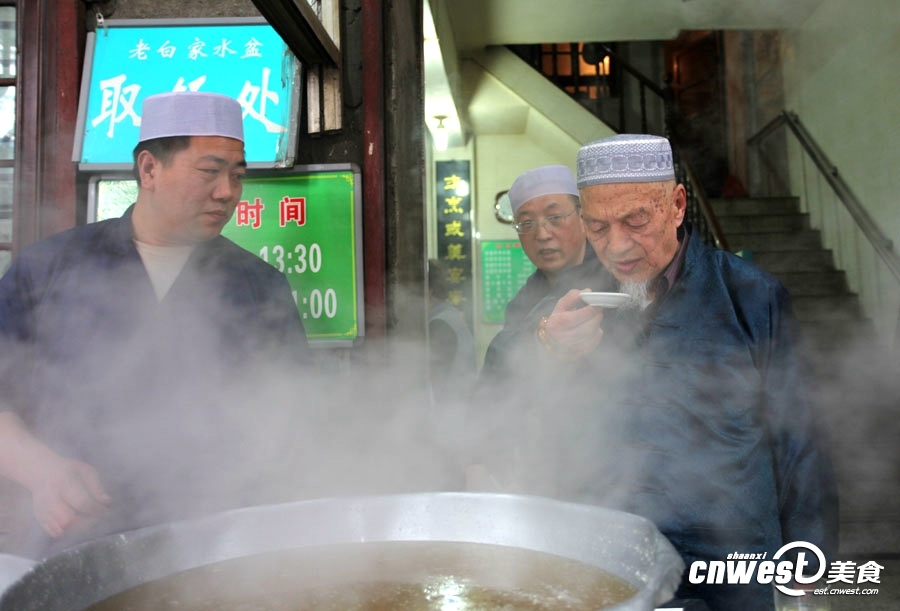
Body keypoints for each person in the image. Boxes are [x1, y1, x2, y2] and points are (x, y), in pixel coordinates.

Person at [0, 91, 310, 559]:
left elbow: (295, 423)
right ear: (149, 169)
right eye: (209, 171)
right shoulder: (49, 268)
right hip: (73, 542)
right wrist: (41, 471)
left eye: (237, 175)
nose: (227, 192)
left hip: (214, 549)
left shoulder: (259, 286)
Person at [535, 134, 838, 610]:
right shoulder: (581, 303)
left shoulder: (750, 295)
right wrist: (552, 348)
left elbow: (798, 436)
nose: (617, 246)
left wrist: (806, 566)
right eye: (597, 227)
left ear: (677, 206)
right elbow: (537, 414)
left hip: (734, 558)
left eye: (636, 220)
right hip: (618, 555)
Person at [478, 165, 614, 382]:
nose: (542, 234)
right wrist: (541, 340)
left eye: (555, 218)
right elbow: (496, 380)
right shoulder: (521, 301)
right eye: (527, 223)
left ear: (583, 219)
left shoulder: (614, 282)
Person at [427, 259, 477, 405]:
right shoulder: (450, 315)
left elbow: (435, 382)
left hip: (449, 412)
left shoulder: (439, 324)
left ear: (429, 291)